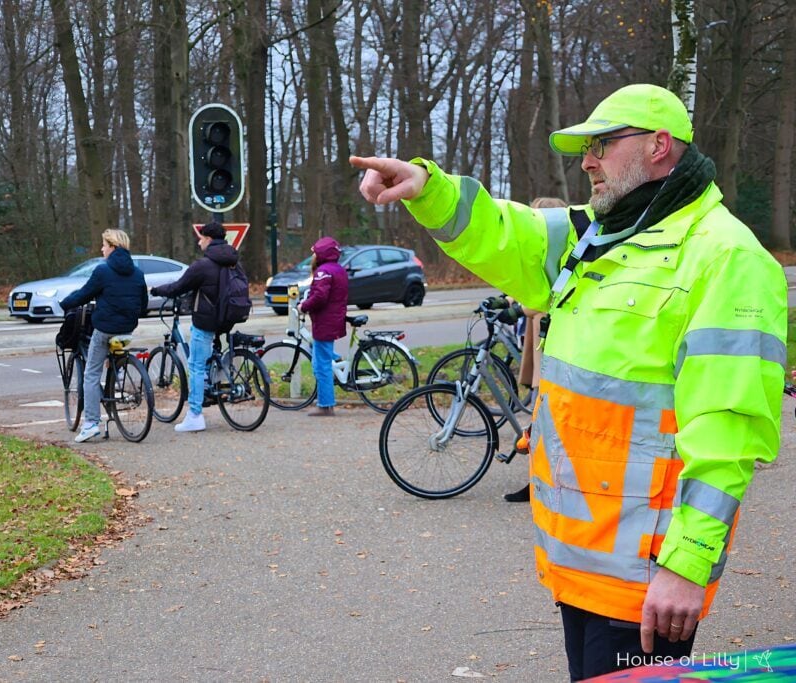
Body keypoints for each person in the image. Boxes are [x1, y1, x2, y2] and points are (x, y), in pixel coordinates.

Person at [350, 83, 786, 680]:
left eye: (602, 145)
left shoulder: (726, 257)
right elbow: (508, 232)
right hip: (581, 565)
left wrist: (688, 565)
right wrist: (427, 188)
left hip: (645, 577)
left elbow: (729, 434)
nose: (587, 161)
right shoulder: (602, 234)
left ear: (659, 146)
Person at [504, 196, 568, 504]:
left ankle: (541, 482)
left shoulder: (561, 252)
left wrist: (520, 306)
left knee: (545, 420)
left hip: (552, 342)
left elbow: (545, 295)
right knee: (541, 417)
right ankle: (538, 480)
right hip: (541, 339)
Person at [150, 221, 243, 433]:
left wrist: (156, 291)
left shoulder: (202, 265)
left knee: (195, 366)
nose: (199, 242)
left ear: (208, 239)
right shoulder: (233, 262)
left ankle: (195, 415)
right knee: (206, 358)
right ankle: (212, 385)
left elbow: (178, 287)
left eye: (200, 238)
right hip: (228, 317)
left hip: (206, 320)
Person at [59, 229, 147, 443]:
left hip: (105, 328)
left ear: (113, 247)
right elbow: (143, 305)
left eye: (104, 245)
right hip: (128, 328)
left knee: (90, 374)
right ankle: (115, 379)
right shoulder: (138, 273)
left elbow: (83, 294)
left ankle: (90, 424)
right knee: (111, 355)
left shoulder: (102, 271)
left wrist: (65, 303)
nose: (102, 249)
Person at [298, 236, 349, 416]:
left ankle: (326, 405)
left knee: (322, 365)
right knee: (319, 353)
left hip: (324, 322)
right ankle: (336, 359)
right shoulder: (338, 269)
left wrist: (303, 306)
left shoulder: (323, 272)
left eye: (314, 253)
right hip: (334, 320)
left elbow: (320, 296)